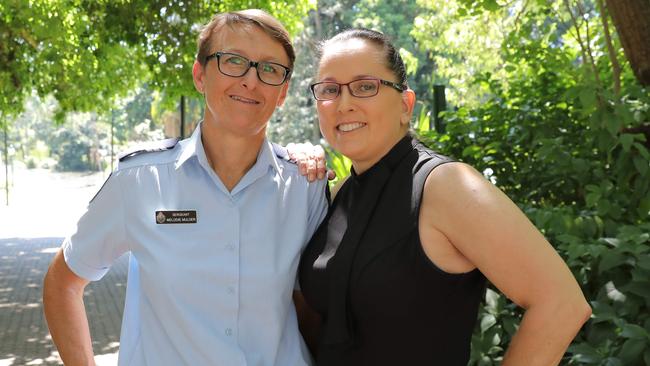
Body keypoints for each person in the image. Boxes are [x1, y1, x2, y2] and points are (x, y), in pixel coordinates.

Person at [43, 9, 329, 366]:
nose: (250, 81)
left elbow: (314, 310)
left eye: (270, 69)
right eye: (233, 61)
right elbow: (63, 281)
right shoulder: (140, 180)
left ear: (283, 92)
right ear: (199, 75)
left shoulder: (305, 186)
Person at [296, 28, 592, 366]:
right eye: (330, 89)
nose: (344, 104)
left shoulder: (446, 186)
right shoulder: (339, 193)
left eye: (366, 87)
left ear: (406, 105)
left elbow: (561, 303)